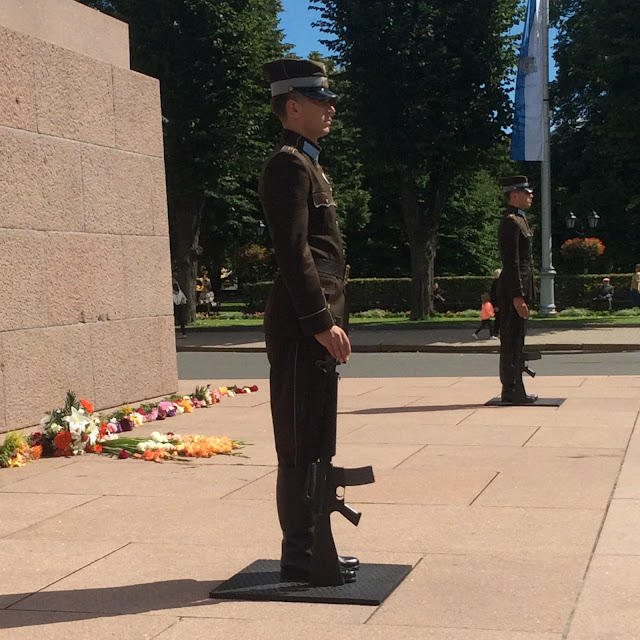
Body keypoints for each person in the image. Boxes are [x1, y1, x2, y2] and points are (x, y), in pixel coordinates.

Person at [259, 58, 358, 583]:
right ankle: (299, 555)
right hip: (301, 326)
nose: (330, 108)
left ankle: (316, 546)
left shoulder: (309, 164)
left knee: (317, 439)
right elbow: (294, 252)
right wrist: (320, 321)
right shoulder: (288, 165)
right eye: (320, 100)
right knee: (299, 442)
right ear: (293, 106)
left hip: (313, 323)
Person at [496, 175, 538, 404]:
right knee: (511, 340)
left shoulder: (520, 219)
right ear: (514, 194)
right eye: (526, 192)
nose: (531, 195)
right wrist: (517, 295)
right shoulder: (510, 221)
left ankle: (515, 387)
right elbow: (511, 262)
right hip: (513, 288)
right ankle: (511, 389)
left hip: (521, 286)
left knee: (517, 340)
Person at [172, 273, 187, 337]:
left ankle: (183, 332)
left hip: (179, 303)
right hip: (178, 302)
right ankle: (182, 332)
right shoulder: (176, 283)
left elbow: (177, 292)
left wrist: (171, 289)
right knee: (179, 318)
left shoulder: (175, 284)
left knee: (180, 318)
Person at [489, 268, 502, 337]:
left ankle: (497, 332)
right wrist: (495, 305)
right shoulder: (497, 283)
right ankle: (496, 332)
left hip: (499, 303)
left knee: (499, 318)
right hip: (498, 304)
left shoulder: (497, 282)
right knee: (499, 319)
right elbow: (493, 295)